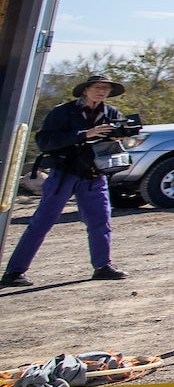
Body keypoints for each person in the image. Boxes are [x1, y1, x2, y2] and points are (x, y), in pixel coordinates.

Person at [3, 75, 130, 285]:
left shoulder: (112, 113)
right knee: (42, 222)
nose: (102, 92)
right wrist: (84, 134)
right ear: (85, 90)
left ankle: (103, 267)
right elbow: (44, 141)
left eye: (106, 89)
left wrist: (117, 137)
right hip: (64, 174)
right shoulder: (62, 112)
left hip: (94, 175)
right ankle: (14, 273)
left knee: (101, 221)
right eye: (98, 87)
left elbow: (111, 141)